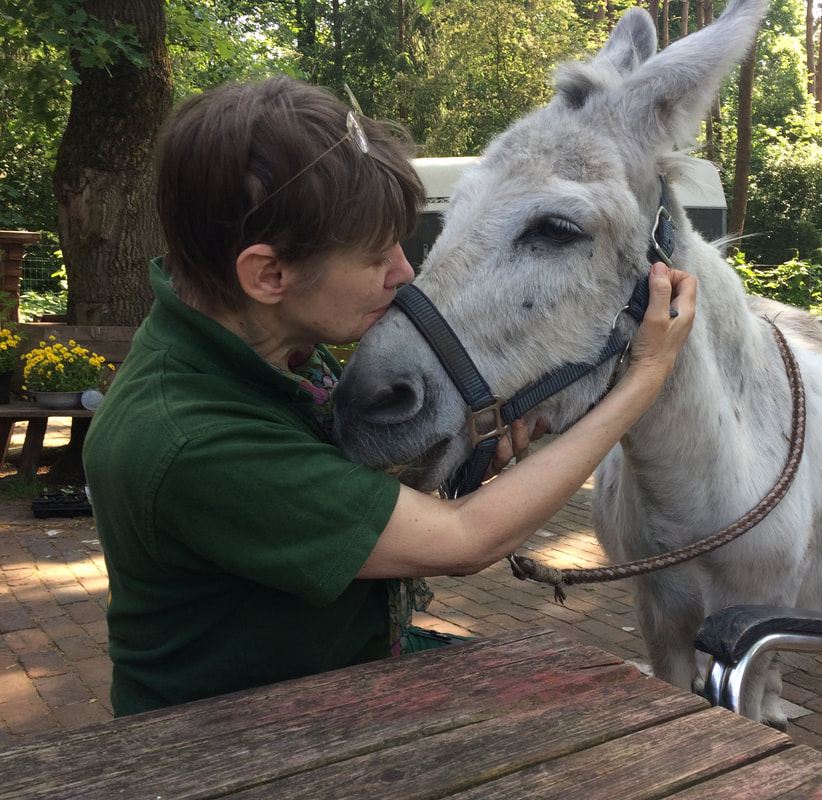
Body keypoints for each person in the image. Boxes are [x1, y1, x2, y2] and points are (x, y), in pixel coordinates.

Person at [83, 75, 696, 717]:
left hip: (326, 679)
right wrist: (643, 376)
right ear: (269, 274)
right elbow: (464, 542)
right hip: (236, 740)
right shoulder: (190, 438)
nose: (405, 274)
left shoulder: (266, 348)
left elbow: (323, 496)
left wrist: (465, 460)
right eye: (377, 255)